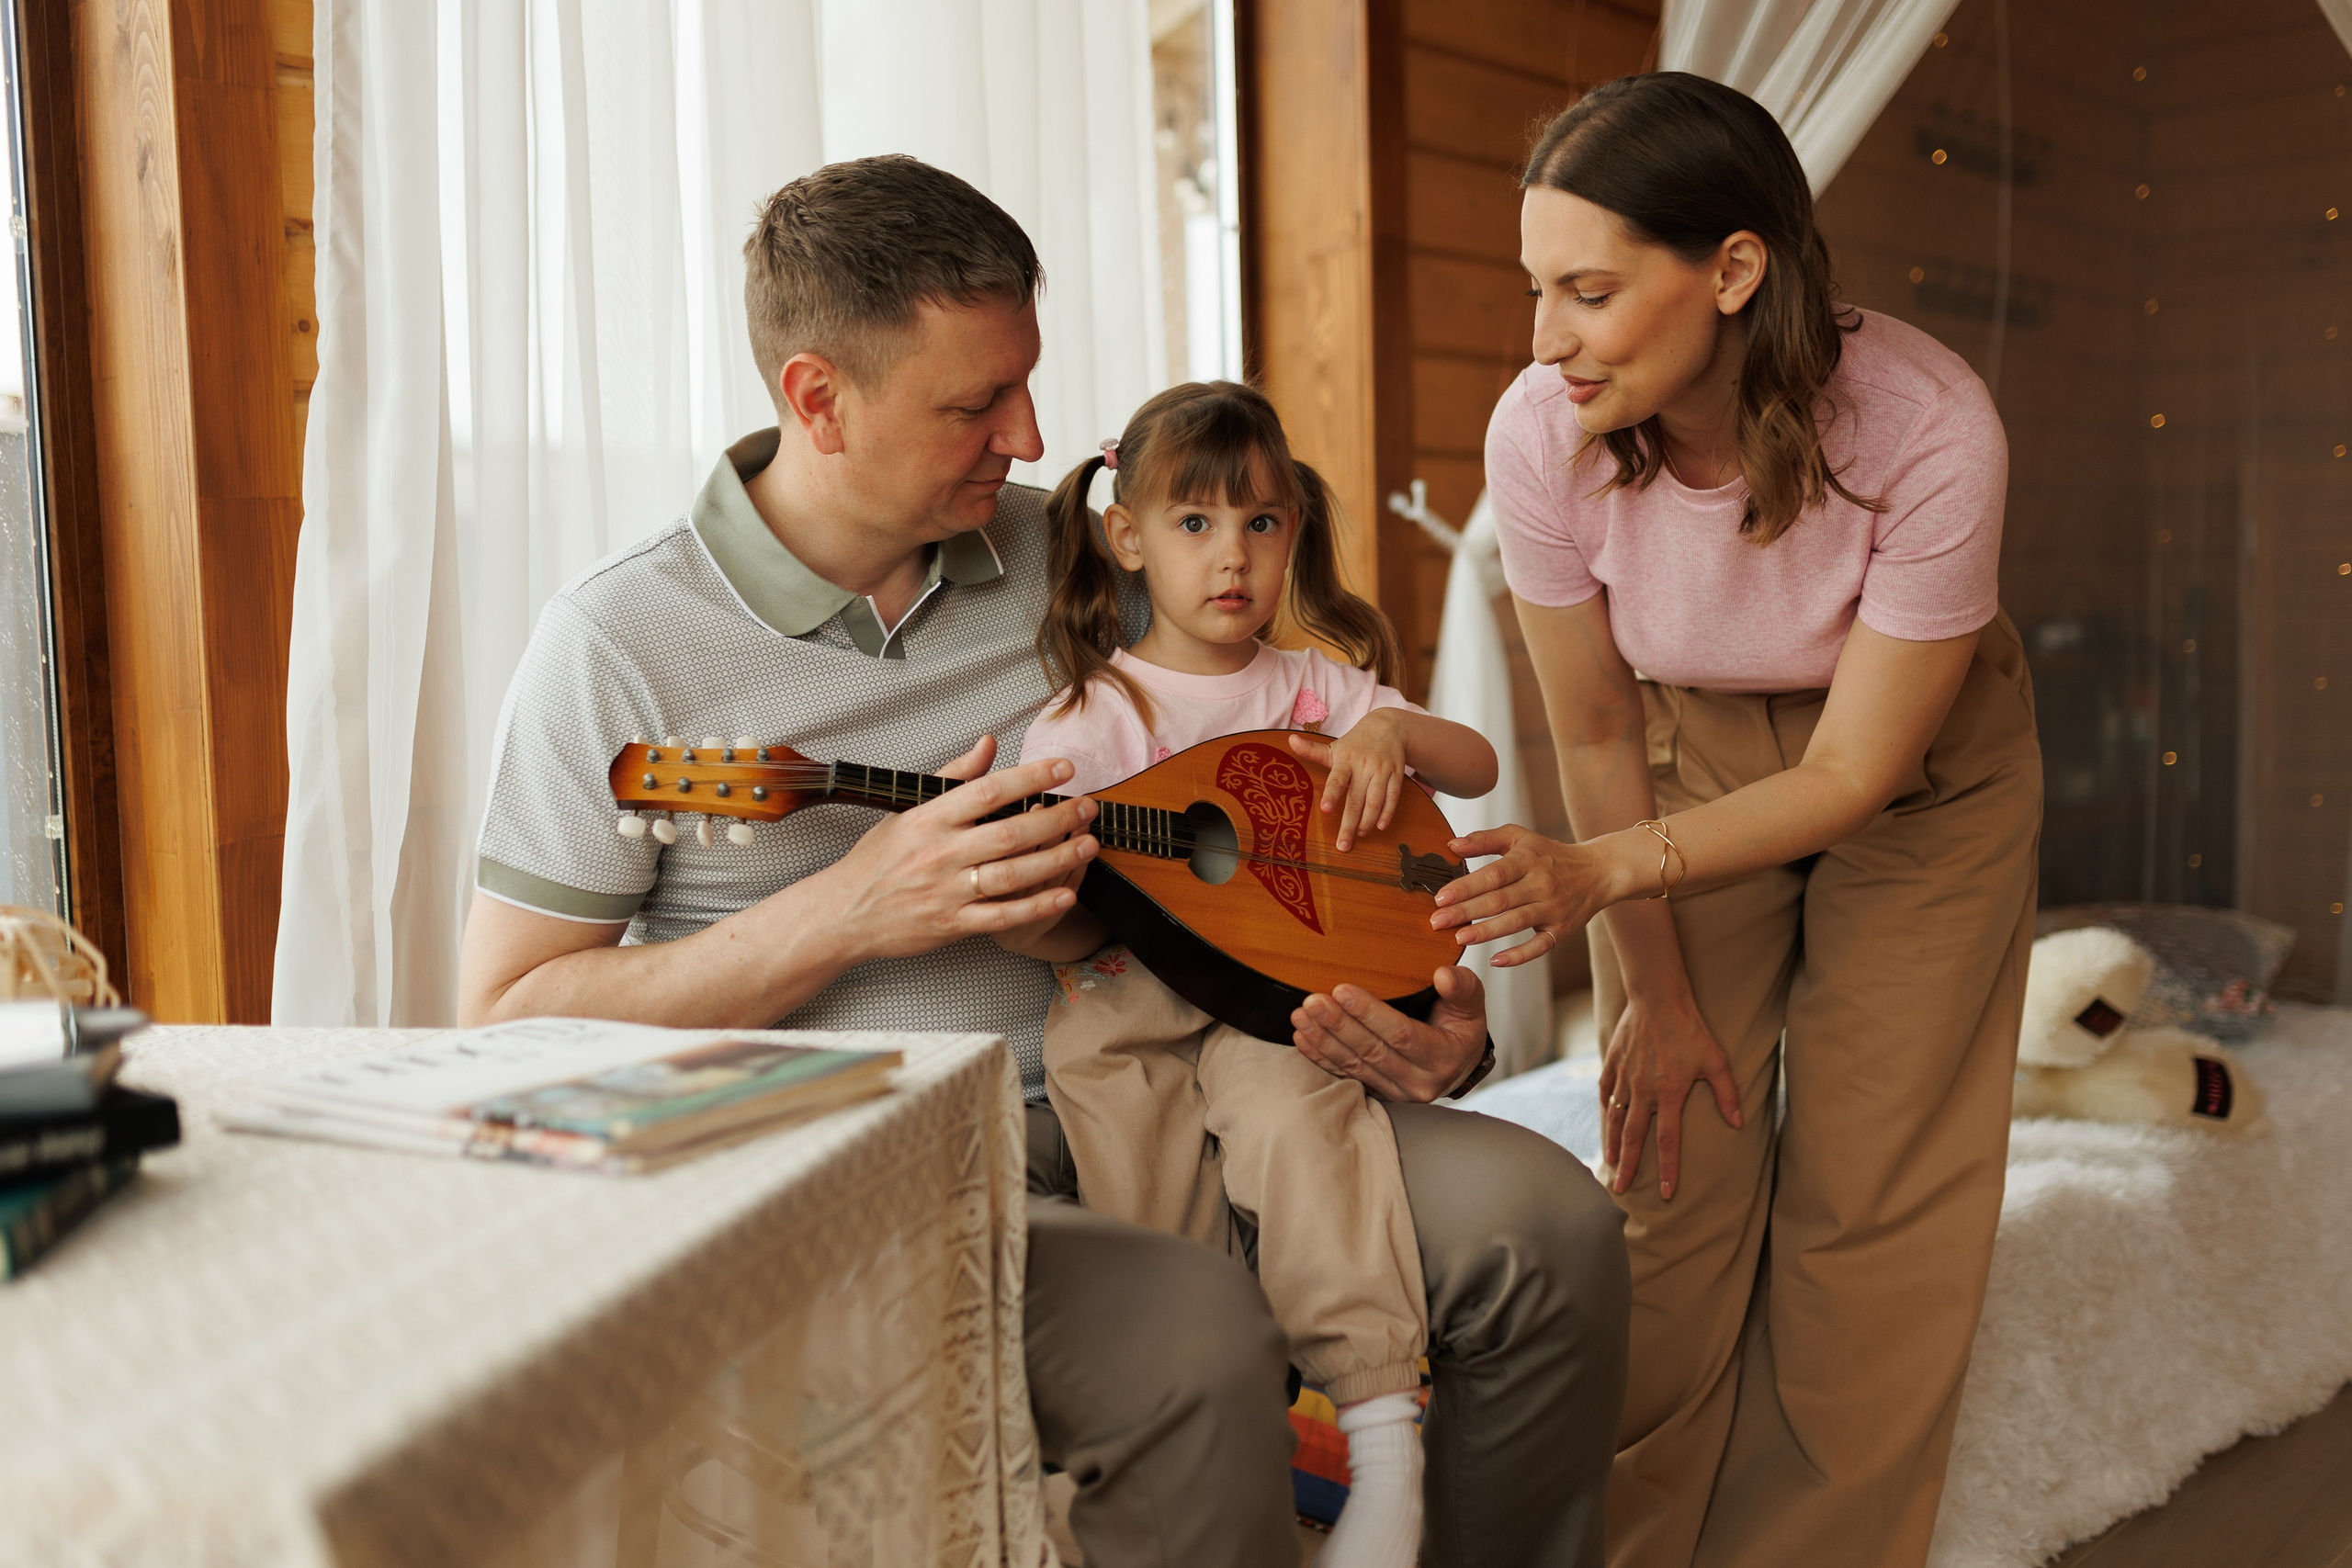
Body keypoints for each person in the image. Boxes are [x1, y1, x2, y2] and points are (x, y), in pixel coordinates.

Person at [453, 153, 1630, 1567]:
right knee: (1188, 1341)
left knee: (1552, 1229)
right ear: (818, 398)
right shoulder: (618, 647)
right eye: (975, 403)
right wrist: (848, 912)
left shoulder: (1089, 559)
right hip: (918, 1158)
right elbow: (507, 1018)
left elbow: (1285, 787)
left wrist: (1427, 1011)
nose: (1029, 431)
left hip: (1235, 1062)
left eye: (1025, 380)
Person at [1431, 75, 2041, 1568]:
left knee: (1868, 1194)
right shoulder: (1545, 431)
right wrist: (1653, 985)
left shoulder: (1931, 427)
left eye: (1587, 290)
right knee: (1673, 1151)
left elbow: (1851, 779)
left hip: (1919, 769)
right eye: (1533, 291)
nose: (1546, 338)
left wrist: (1601, 875)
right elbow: (1587, 724)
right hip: (1682, 742)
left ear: (1733, 267)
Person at [1002, 379, 1501, 1568]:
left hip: (1285, 1004)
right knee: (1157, 1227)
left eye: (1262, 524)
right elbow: (1071, 923)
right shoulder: (1091, 719)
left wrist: (1389, 735)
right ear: (1126, 536)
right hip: (1129, 1007)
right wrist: (1034, 918)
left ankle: (1385, 1446)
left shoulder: (1317, 693)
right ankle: (1233, 1468)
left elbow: (1474, 760)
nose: (1232, 556)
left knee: (1299, 1118)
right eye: (1194, 524)